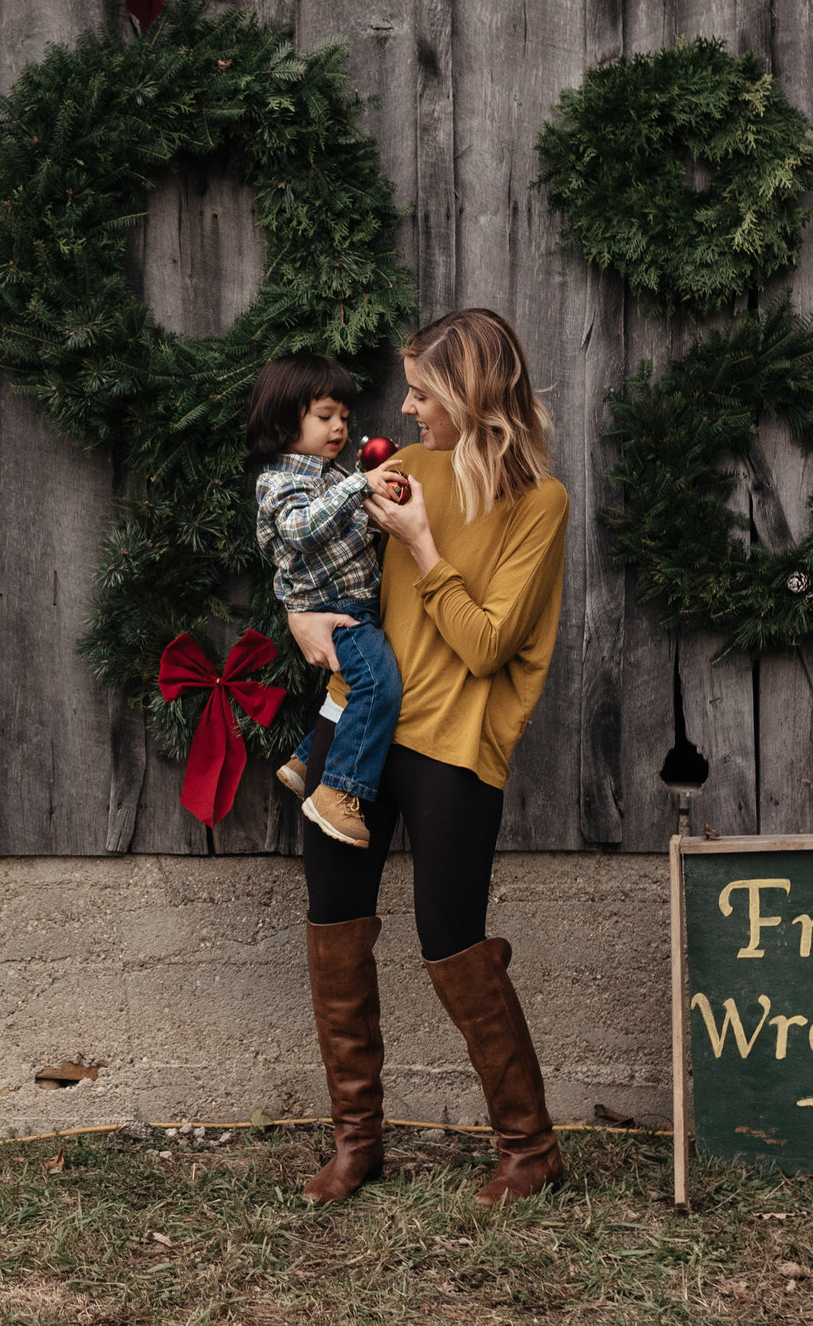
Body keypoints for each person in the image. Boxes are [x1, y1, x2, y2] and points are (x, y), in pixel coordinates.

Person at [285, 308, 568, 1208]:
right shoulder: (399, 471)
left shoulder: (541, 504)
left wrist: (422, 546)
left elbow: (486, 645)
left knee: (454, 943)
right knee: (333, 927)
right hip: (355, 734)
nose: (405, 407)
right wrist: (300, 617)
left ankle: (529, 1147)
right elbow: (315, 559)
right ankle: (357, 1142)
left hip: (454, 746)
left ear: (471, 394)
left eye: (422, 389)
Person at [246, 354, 407, 845]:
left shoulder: (330, 475)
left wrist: (383, 506)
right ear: (282, 420)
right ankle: (337, 791)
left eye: (343, 417)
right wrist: (360, 485)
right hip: (340, 611)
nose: (339, 427)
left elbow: (354, 530)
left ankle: (305, 757)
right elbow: (301, 529)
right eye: (324, 416)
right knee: (379, 688)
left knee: (347, 692)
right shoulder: (281, 483)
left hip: (356, 603)